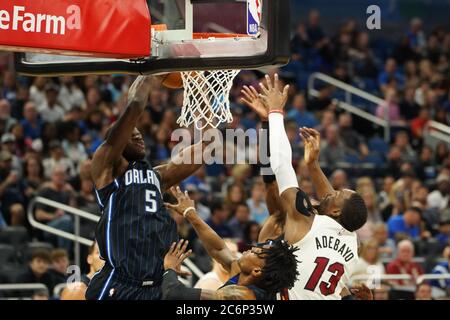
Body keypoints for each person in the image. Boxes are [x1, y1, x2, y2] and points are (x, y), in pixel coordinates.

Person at [241, 74, 367, 300]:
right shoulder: (352, 240)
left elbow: (277, 168)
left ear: (336, 211)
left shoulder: (298, 217)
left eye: (336, 194)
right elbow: (332, 204)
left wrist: (275, 115)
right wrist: (312, 164)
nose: (329, 192)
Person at [86, 76, 212, 300]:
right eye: (132, 136)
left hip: (156, 284)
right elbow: (135, 106)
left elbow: (207, 147)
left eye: (140, 134)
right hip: (120, 283)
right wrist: (152, 70)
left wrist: (201, 96)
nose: (139, 137)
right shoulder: (108, 171)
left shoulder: (157, 176)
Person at [162, 187, 299, 300]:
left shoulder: (243, 297)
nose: (247, 250)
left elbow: (173, 294)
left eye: (254, 252)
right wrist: (190, 213)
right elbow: (219, 249)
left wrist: (170, 269)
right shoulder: (246, 276)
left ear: (257, 271)